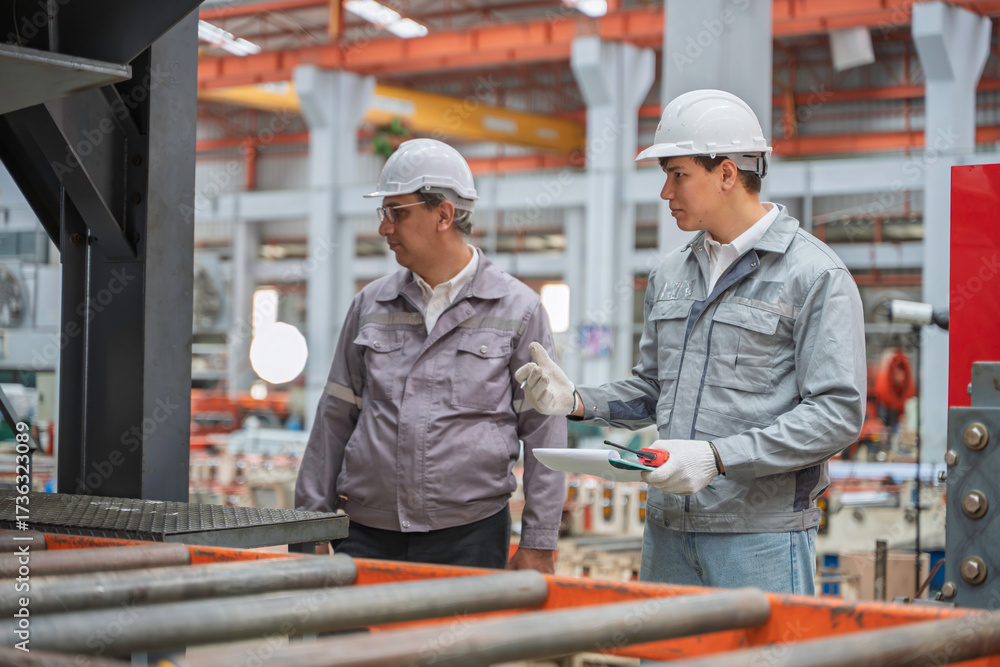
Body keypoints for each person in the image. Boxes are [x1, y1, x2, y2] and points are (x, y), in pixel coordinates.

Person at [515, 89, 866, 593]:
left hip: (760, 538)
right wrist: (575, 401)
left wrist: (717, 457)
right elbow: (654, 390)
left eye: (677, 174)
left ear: (727, 173)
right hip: (667, 532)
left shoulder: (813, 276)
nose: (665, 192)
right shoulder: (671, 274)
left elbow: (836, 414)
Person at [296, 138, 567, 573]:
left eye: (396, 213)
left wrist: (538, 542)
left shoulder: (518, 310)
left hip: (470, 536)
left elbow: (544, 433)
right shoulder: (370, 305)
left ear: (443, 214)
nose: (385, 228)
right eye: (383, 213)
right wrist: (308, 526)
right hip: (366, 533)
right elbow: (334, 418)